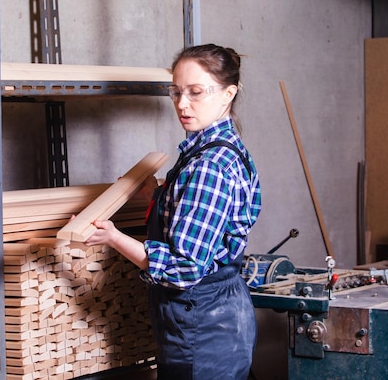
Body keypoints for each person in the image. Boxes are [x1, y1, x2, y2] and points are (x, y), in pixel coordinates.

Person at [84, 43, 262, 380]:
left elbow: (184, 268)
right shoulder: (218, 149)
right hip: (220, 318)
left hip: (203, 329)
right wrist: (161, 193)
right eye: (176, 92)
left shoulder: (209, 165)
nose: (182, 104)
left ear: (228, 94)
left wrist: (113, 237)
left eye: (196, 92)